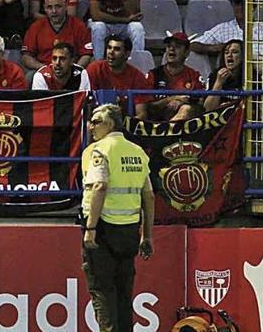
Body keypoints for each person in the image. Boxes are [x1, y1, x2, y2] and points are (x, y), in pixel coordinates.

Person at [81, 103, 155, 332]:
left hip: (102, 230)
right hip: (130, 231)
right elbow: (149, 196)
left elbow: (100, 187)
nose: (90, 126)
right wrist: (147, 236)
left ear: (110, 123)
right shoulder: (137, 152)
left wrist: (91, 228)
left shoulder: (99, 150)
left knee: (102, 291)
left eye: (96, 121)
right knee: (124, 294)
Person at [190, 0, 263, 82]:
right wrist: (214, 48)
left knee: (254, 57)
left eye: (244, 3)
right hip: (232, 76)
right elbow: (192, 45)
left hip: (260, 75)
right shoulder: (223, 28)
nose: (240, 7)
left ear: (253, 7)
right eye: (237, 3)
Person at [22, 0, 93, 79]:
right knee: (29, 77)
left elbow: (86, 55)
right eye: (49, 7)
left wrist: (74, 70)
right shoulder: (36, 27)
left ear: (66, 6)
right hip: (44, 70)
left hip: (71, 71)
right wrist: (44, 68)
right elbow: (26, 57)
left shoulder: (78, 26)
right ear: (44, 8)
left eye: (58, 6)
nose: (54, 11)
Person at [143, 32, 205, 122]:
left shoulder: (194, 76)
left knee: (186, 109)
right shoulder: (153, 75)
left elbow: (200, 106)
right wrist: (171, 99)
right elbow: (147, 107)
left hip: (185, 128)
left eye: (177, 47)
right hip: (155, 123)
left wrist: (182, 102)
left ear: (187, 52)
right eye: (169, 46)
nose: (171, 49)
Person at [86, 35, 152, 118]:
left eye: (116, 49)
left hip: (124, 125)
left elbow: (141, 114)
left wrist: (125, 127)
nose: (111, 52)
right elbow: (86, 105)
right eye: (109, 48)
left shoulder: (137, 77)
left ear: (127, 54)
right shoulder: (94, 69)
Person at [204, 39, 244, 112]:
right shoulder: (214, 75)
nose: (229, 55)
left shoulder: (251, 76)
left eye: (235, 52)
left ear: (243, 56)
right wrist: (218, 83)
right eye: (226, 53)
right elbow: (208, 109)